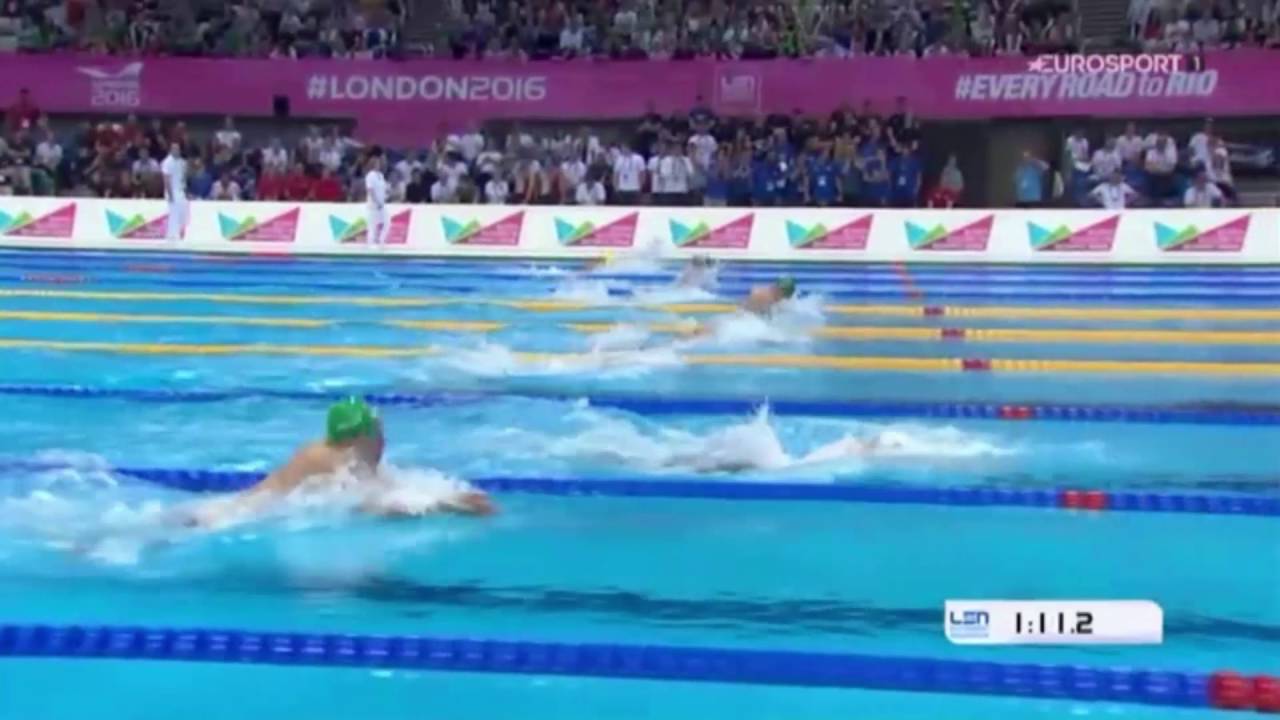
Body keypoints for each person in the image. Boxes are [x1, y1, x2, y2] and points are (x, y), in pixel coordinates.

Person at [186, 398, 495, 528]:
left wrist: (446, 498)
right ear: (361, 437)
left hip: (225, 511)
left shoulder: (341, 457)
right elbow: (365, 504)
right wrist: (445, 506)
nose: (384, 438)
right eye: (378, 431)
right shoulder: (332, 462)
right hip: (220, 520)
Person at [160, 143, 187, 241]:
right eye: (174, 149)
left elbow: (183, 177)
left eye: (178, 149)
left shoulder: (181, 162)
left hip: (180, 190)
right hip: (172, 191)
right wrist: (170, 195)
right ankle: (172, 235)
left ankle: (179, 233)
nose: (177, 151)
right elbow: (166, 179)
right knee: (173, 213)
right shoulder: (167, 162)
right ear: (171, 150)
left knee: (182, 213)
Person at [364, 155, 390, 246]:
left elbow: (383, 188)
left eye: (379, 163)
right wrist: (376, 201)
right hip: (373, 205)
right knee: (372, 226)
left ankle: (381, 241)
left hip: (381, 204)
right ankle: (370, 244)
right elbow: (370, 190)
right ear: (373, 164)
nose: (379, 164)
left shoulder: (381, 175)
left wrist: (386, 195)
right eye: (377, 163)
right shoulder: (370, 175)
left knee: (387, 222)